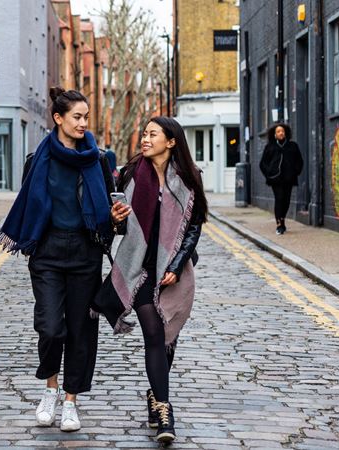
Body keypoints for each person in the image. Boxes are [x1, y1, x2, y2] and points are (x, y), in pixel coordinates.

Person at [0, 87, 122, 432]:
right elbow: (29, 207)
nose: (84, 123)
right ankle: (49, 388)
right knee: (51, 327)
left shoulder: (97, 160)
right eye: (77, 117)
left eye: (86, 117)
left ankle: (70, 400)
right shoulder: (38, 159)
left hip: (85, 253)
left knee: (82, 330)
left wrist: (117, 216)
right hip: (48, 253)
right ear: (59, 118)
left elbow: (110, 212)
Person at [92, 116, 207, 444]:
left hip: (173, 270)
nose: (145, 139)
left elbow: (195, 226)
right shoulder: (131, 175)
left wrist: (178, 262)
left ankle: (156, 394)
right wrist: (114, 221)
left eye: (152, 134)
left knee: (168, 338)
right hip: (138, 269)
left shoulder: (187, 179)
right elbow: (119, 228)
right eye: (144, 133)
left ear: (170, 142)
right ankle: (165, 411)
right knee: (154, 332)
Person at [259, 123, 303, 235]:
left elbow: (300, 161)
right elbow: (262, 163)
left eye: (282, 131)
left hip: (289, 178)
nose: (281, 133)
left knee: (286, 200)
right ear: (274, 135)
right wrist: (268, 174)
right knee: (279, 198)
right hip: (275, 179)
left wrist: (295, 172)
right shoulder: (270, 147)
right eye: (278, 131)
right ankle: (279, 224)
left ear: (286, 133)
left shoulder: (293, 146)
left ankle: (282, 218)